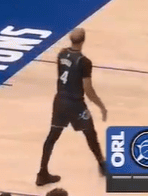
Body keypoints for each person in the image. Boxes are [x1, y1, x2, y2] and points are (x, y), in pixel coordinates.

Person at [36, 28, 108, 186]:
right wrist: (101, 106)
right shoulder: (84, 62)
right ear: (83, 40)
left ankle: (42, 173)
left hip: (60, 101)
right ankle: (102, 165)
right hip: (75, 104)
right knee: (90, 133)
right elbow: (88, 89)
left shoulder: (61, 54)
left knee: (52, 137)